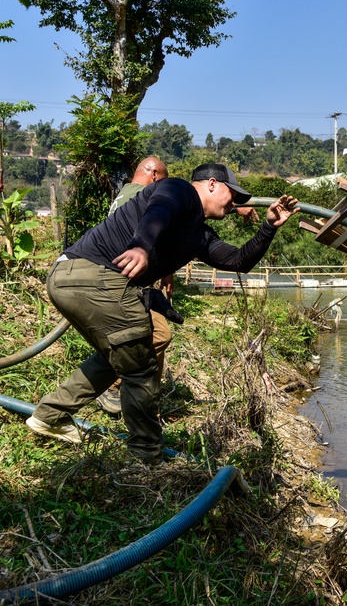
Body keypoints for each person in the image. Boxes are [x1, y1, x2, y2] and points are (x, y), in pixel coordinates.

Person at [26, 163, 300, 463]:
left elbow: (238, 260)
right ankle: (146, 454)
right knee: (141, 367)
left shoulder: (199, 235)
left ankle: (50, 416)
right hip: (92, 275)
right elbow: (160, 209)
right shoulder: (179, 190)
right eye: (231, 193)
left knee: (123, 354)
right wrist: (141, 246)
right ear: (211, 183)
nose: (234, 202)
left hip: (68, 278)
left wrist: (269, 226)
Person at [97, 157, 172, 416]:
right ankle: (114, 386)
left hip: (123, 280)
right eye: (163, 182)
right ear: (153, 177)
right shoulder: (143, 194)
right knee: (159, 335)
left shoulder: (125, 194)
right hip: (124, 282)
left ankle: (149, 398)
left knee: (153, 333)